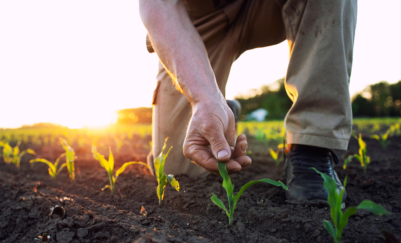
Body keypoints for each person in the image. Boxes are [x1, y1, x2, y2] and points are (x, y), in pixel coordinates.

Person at [139, 0, 357, 203]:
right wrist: (204, 99)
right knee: (177, 170)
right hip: (198, 17)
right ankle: (223, 111)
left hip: (266, 6)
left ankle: (311, 147)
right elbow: (157, 6)